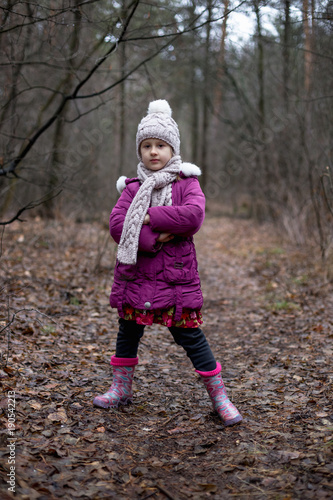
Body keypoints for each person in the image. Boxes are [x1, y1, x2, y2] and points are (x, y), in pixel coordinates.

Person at [93, 99, 242, 426]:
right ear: (140, 151)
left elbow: (193, 216)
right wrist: (154, 238)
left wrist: (148, 216)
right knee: (128, 331)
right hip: (137, 275)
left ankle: (219, 397)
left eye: (160, 145)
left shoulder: (187, 182)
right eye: (146, 146)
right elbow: (117, 224)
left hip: (176, 279)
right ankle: (121, 389)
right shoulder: (131, 188)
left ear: (172, 148)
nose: (153, 152)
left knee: (190, 336)